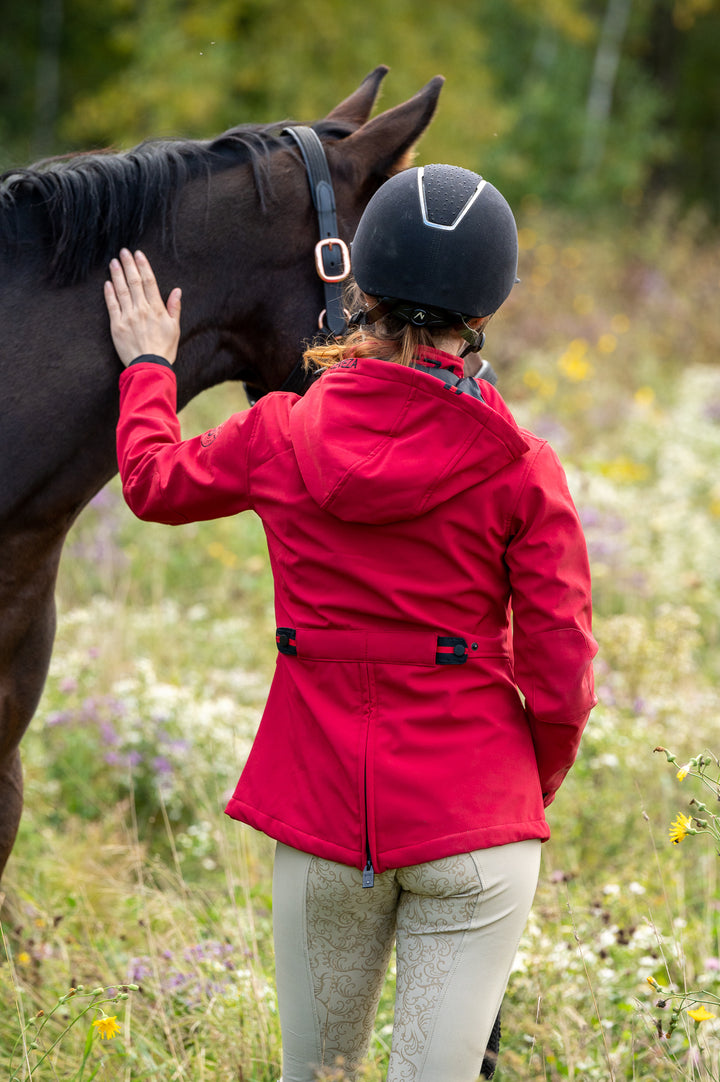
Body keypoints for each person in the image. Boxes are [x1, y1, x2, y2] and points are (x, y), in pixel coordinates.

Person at [105, 163, 598, 1082]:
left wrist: (146, 367)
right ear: (482, 314)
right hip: (477, 819)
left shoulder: (276, 433)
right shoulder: (522, 468)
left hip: (323, 817)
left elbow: (150, 483)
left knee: (314, 1074)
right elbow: (564, 679)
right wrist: (522, 787)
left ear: (361, 290)